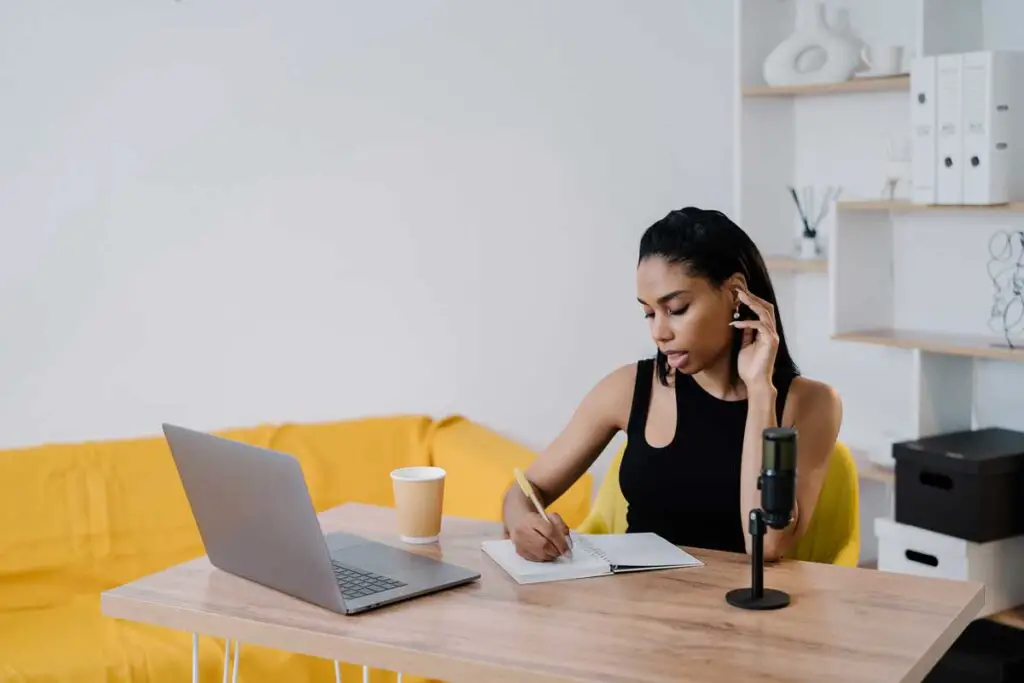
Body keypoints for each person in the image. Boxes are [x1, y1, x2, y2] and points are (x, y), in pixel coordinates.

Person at [501, 207, 842, 563]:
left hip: (743, 611)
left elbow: (766, 546)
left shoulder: (811, 404)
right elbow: (524, 490)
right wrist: (523, 523)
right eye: (649, 313)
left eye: (676, 308)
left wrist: (759, 392)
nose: (659, 333)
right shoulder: (628, 389)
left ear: (735, 293)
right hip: (635, 607)